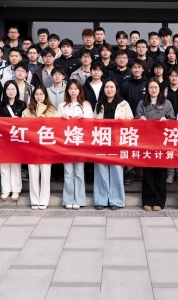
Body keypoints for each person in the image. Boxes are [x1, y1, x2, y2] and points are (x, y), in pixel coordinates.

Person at [135, 78, 175, 211]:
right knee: (147, 173)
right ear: (147, 89)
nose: (153, 90)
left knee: (160, 172)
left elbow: (173, 120)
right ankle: (147, 200)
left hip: (161, 143)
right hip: (146, 142)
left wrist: (166, 120)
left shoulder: (167, 103)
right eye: (151, 87)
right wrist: (140, 120)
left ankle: (159, 201)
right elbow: (136, 120)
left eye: (156, 87)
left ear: (160, 89)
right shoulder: (142, 103)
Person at [94, 79, 133, 210]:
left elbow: (131, 121)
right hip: (101, 140)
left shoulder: (123, 104)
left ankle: (116, 200)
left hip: (117, 142)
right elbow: (93, 122)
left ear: (116, 89)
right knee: (101, 170)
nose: (109, 89)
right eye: (107, 87)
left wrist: (124, 122)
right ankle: (101, 200)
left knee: (116, 170)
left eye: (112, 87)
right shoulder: (99, 104)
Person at [58, 80, 94, 210]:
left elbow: (92, 122)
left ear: (79, 90)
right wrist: (62, 118)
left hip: (80, 143)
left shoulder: (86, 105)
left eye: (76, 88)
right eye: (71, 88)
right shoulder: (62, 106)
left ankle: (79, 199)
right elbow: (55, 125)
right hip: (66, 143)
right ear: (67, 90)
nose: (73, 91)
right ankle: (68, 199)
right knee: (68, 172)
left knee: (79, 172)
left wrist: (84, 118)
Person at [22, 86, 58, 210]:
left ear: (45, 95)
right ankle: (34, 199)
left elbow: (58, 126)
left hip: (46, 146)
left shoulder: (52, 110)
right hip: (32, 146)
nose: (39, 97)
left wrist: (46, 120)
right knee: (33, 175)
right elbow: (22, 126)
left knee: (45, 174)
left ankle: (44, 199)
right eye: (36, 94)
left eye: (41, 94)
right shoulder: (28, 110)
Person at [0, 81, 26, 202]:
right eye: (8, 89)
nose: (11, 91)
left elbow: (26, 122)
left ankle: (16, 190)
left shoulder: (22, 104)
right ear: (5, 91)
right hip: (3, 139)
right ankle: (5, 190)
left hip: (17, 139)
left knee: (16, 165)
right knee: (4, 166)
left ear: (17, 90)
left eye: (13, 89)